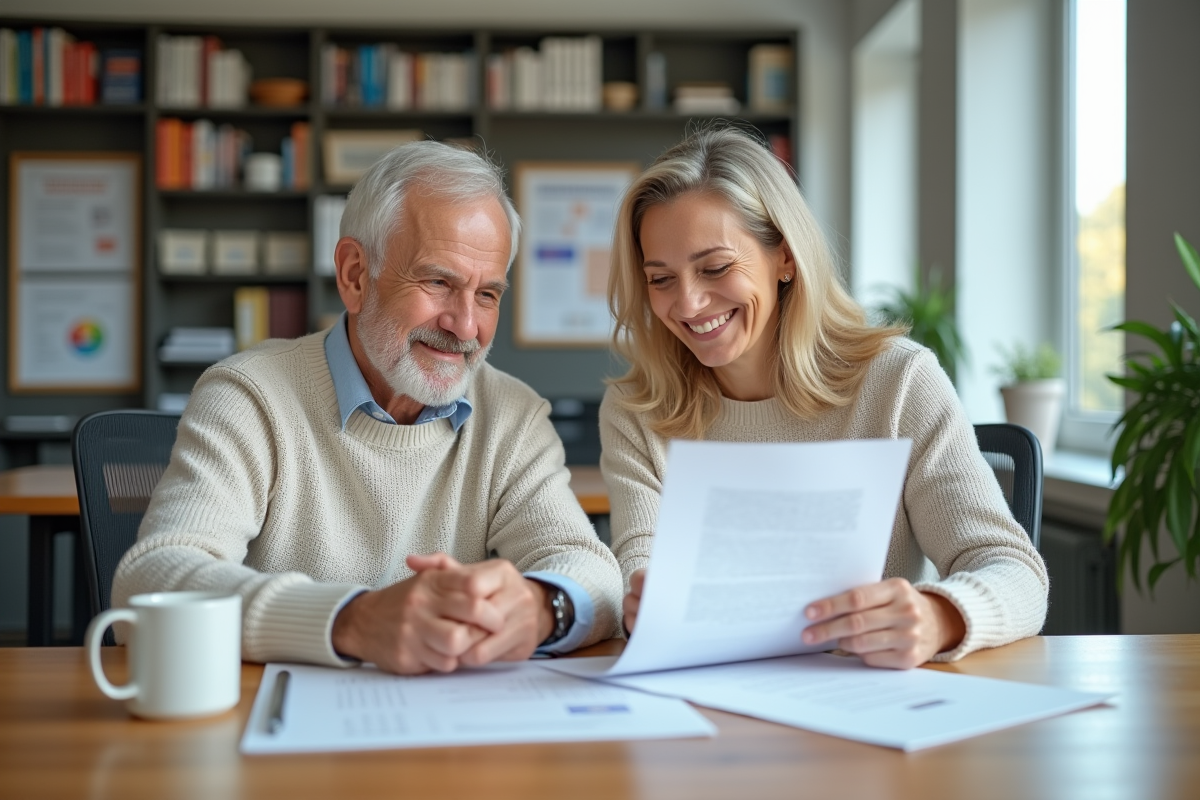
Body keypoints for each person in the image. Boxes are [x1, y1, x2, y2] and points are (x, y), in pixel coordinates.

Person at [113, 141, 622, 674]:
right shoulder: (249, 397)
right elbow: (149, 581)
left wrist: (543, 607)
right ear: (356, 274)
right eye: (438, 282)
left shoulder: (512, 416)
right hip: (276, 734)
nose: (466, 326)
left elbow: (594, 572)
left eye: (488, 295)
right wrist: (352, 621)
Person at [603, 127, 1048, 668]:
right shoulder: (639, 411)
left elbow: (1014, 570)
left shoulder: (899, 383)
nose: (689, 302)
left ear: (785, 258)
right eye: (660, 279)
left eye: (715, 268)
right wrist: (642, 601)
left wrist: (938, 617)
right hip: (710, 704)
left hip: (867, 703)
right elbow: (641, 570)